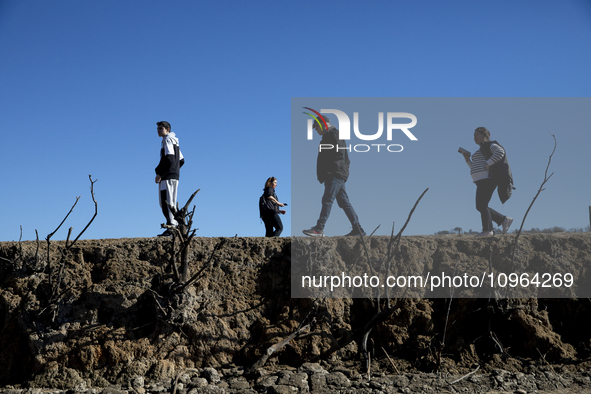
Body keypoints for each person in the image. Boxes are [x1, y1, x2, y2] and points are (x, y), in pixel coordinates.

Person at [303, 114, 365, 237]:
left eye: (316, 127)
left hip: (335, 174)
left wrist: (332, 170)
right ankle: (358, 229)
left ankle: (319, 229)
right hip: (336, 174)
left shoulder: (334, 134)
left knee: (327, 200)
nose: (315, 129)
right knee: (344, 202)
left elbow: (340, 153)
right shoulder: (329, 136)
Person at [462, 127, 513, 237]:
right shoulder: (482, 149)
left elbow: (500, 152)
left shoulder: (490, 145)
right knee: (481, 206)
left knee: (481, 205)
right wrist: (467, 160)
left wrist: (489, 163)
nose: (474, 137)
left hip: (487, 179)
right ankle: (503, 220)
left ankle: (488, 230)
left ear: (484, 136)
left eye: (477, 135)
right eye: (474, 135)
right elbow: (476, 167)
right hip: (481, 180)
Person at [155, 121, 185, 237]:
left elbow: (169, 158)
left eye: (160, 128)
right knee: (167, 201)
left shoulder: (167, 139)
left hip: (167, 177)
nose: (158, 130)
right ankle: (174, 226)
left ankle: (172, 229)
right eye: (157, 128)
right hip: (172, 175)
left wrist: (161, 173)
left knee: (166, 202)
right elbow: (181, 160)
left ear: (167, 129)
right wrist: (174, 171)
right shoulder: (174, 141)